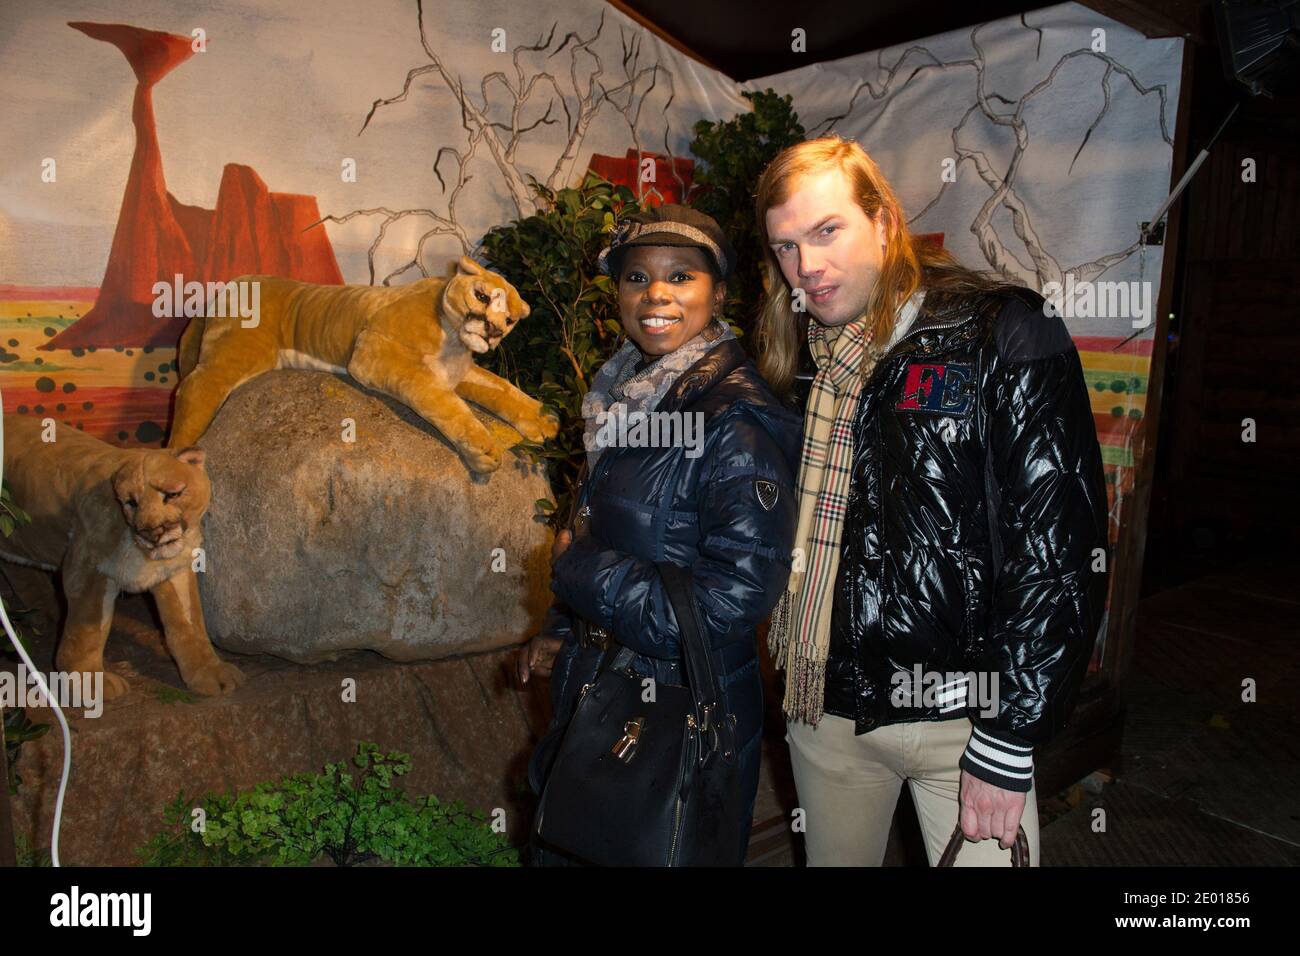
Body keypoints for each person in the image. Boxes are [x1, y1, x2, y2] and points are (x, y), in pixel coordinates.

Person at [754, 134, 1110, 866]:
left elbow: (1060, 545)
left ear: (883, 219)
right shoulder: (798, 363)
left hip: (967, 723)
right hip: (825, 707)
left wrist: (1010, 738)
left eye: (827, 230)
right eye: (786, 246)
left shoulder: (1002, 329)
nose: (808, 266)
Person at [518, 203, 801, 866]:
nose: (656, 295)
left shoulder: (733, 419)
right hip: (607, 681)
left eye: (681, 277)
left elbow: (729, 604)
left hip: (679, 704)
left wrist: (580, 573)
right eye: (637, 277)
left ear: (719, 294)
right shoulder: (629, 395)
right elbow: (620, 536)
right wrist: (564, 629)